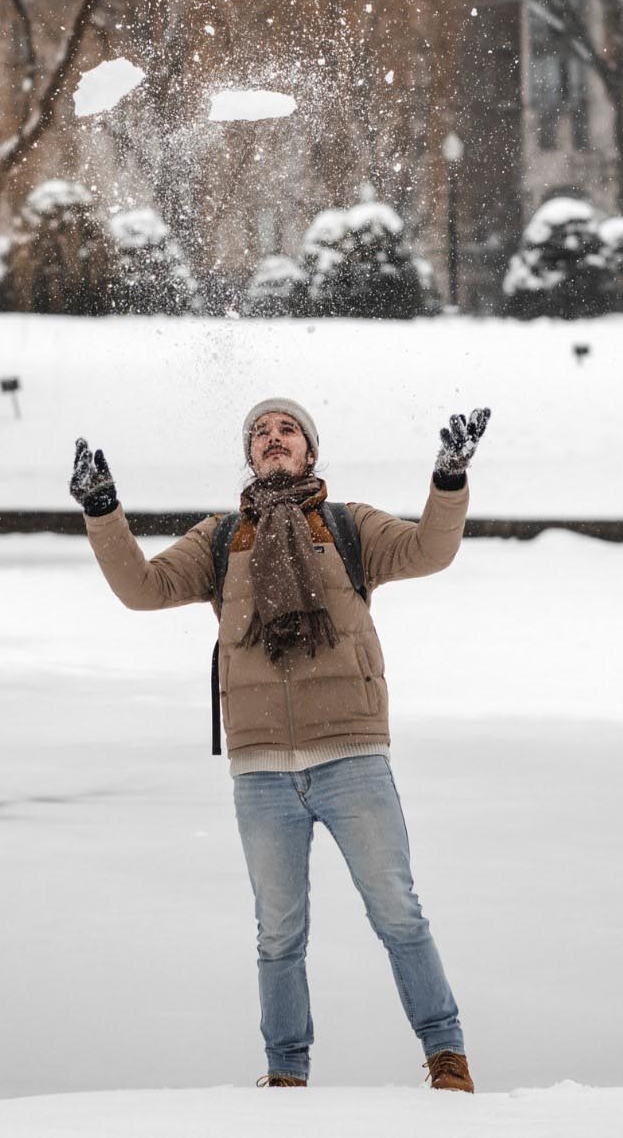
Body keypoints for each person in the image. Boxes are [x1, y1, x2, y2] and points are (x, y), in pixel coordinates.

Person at [68, 397, 491, 1092]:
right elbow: (141, 589)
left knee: (396, 911)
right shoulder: (221, 538)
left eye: (286, 430)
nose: (273, 439)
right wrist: (102, 508)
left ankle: (446, 1056)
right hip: (261, 769)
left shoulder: (350, 525)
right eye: (260, 433)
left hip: (352, 755)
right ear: (250, 452)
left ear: (309, 450)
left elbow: (428, 551)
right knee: (277, 935)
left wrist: (448, 480)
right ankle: (286, 1074)